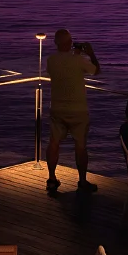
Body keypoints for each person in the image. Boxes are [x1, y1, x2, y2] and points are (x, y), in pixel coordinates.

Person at [44, 28, 101, 193]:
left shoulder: (51, 60)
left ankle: (52, 179)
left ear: (56, 43)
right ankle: (82, 181)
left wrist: (74, 55)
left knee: (54, 142)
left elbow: (63, 65)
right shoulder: (79, 60)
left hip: (57, 109)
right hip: (78, 110)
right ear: (69, 43)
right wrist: (90, 53)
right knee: (80, 145)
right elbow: (96, 71)